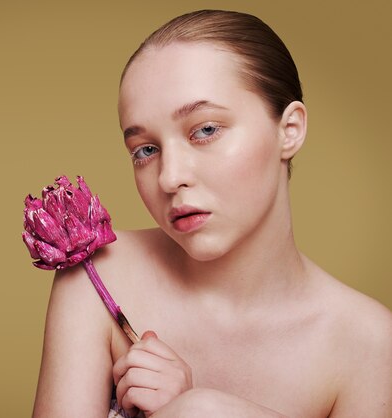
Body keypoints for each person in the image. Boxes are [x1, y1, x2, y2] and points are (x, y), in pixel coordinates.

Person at [32, 9, 392, 418]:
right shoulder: (99, 279)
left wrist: (204, 409)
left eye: (204, 130)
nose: (169, 177)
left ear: (288, 130)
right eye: (145, 150)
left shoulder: (369, 345)